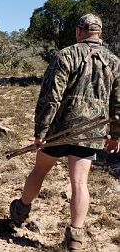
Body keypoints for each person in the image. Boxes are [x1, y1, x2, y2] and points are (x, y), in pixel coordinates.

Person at [9, 14, 120, 251]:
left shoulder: (66, 55)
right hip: (91, 133)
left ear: (79, 31)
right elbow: (117, 105)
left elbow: (50, 97)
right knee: (80, 182)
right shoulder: (115, 62)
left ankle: (20, 212)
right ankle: (75, 240)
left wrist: (41, 130)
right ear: (99, 33)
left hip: (58, 130)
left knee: (39, 170)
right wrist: (115, 135)